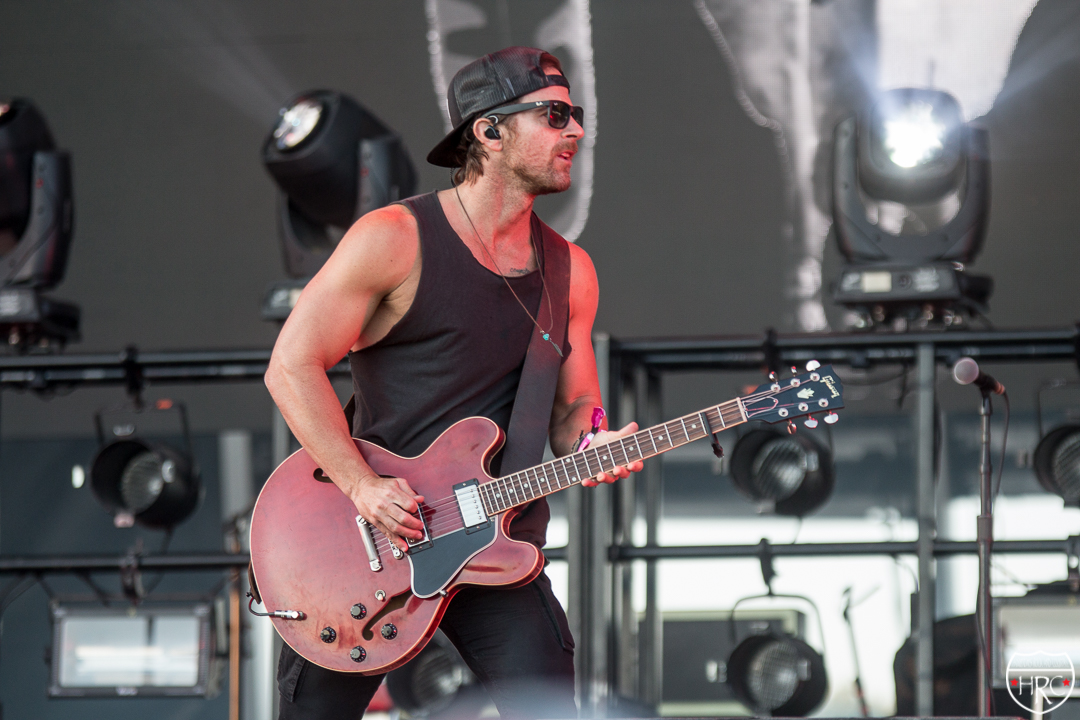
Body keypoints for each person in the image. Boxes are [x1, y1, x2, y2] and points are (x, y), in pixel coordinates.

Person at [265, 46, 642, 719]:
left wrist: (593, 441)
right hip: (368, 544)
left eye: (576, 115)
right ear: (489, 132)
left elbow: (576, 408)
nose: (577, 132)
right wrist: (362, 486)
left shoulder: (571, 271)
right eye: (555, 116)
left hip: (499, 539)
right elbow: (290, 366)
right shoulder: (394, 238)